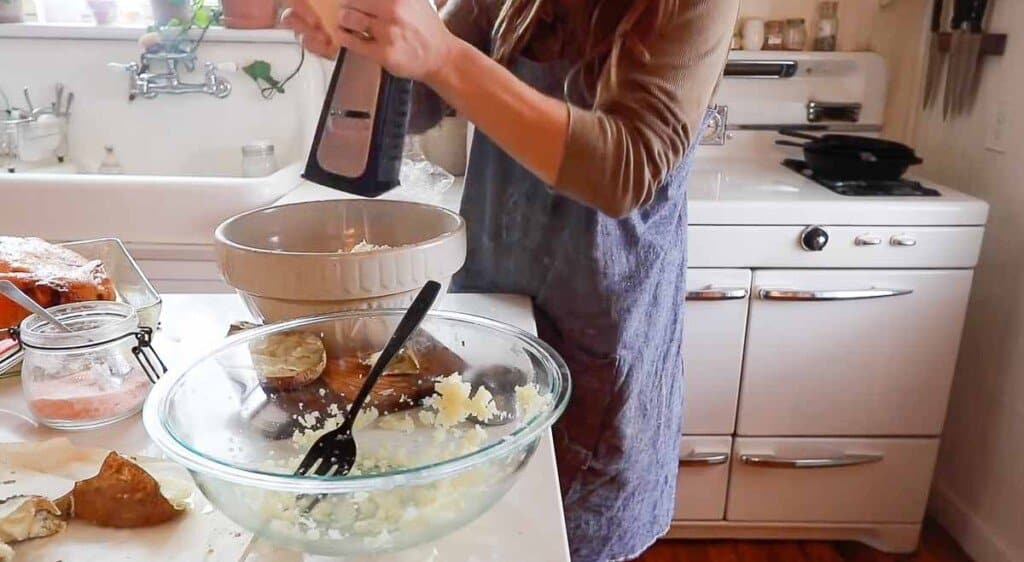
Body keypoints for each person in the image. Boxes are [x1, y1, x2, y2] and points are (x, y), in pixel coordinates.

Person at [283, 1, 739, 560]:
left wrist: (443, 56)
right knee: (494, 527)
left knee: (572, 534)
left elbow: (625, 167)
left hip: (603, 325)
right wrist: (364, 40)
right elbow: (424, 98)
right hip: (499, 312)